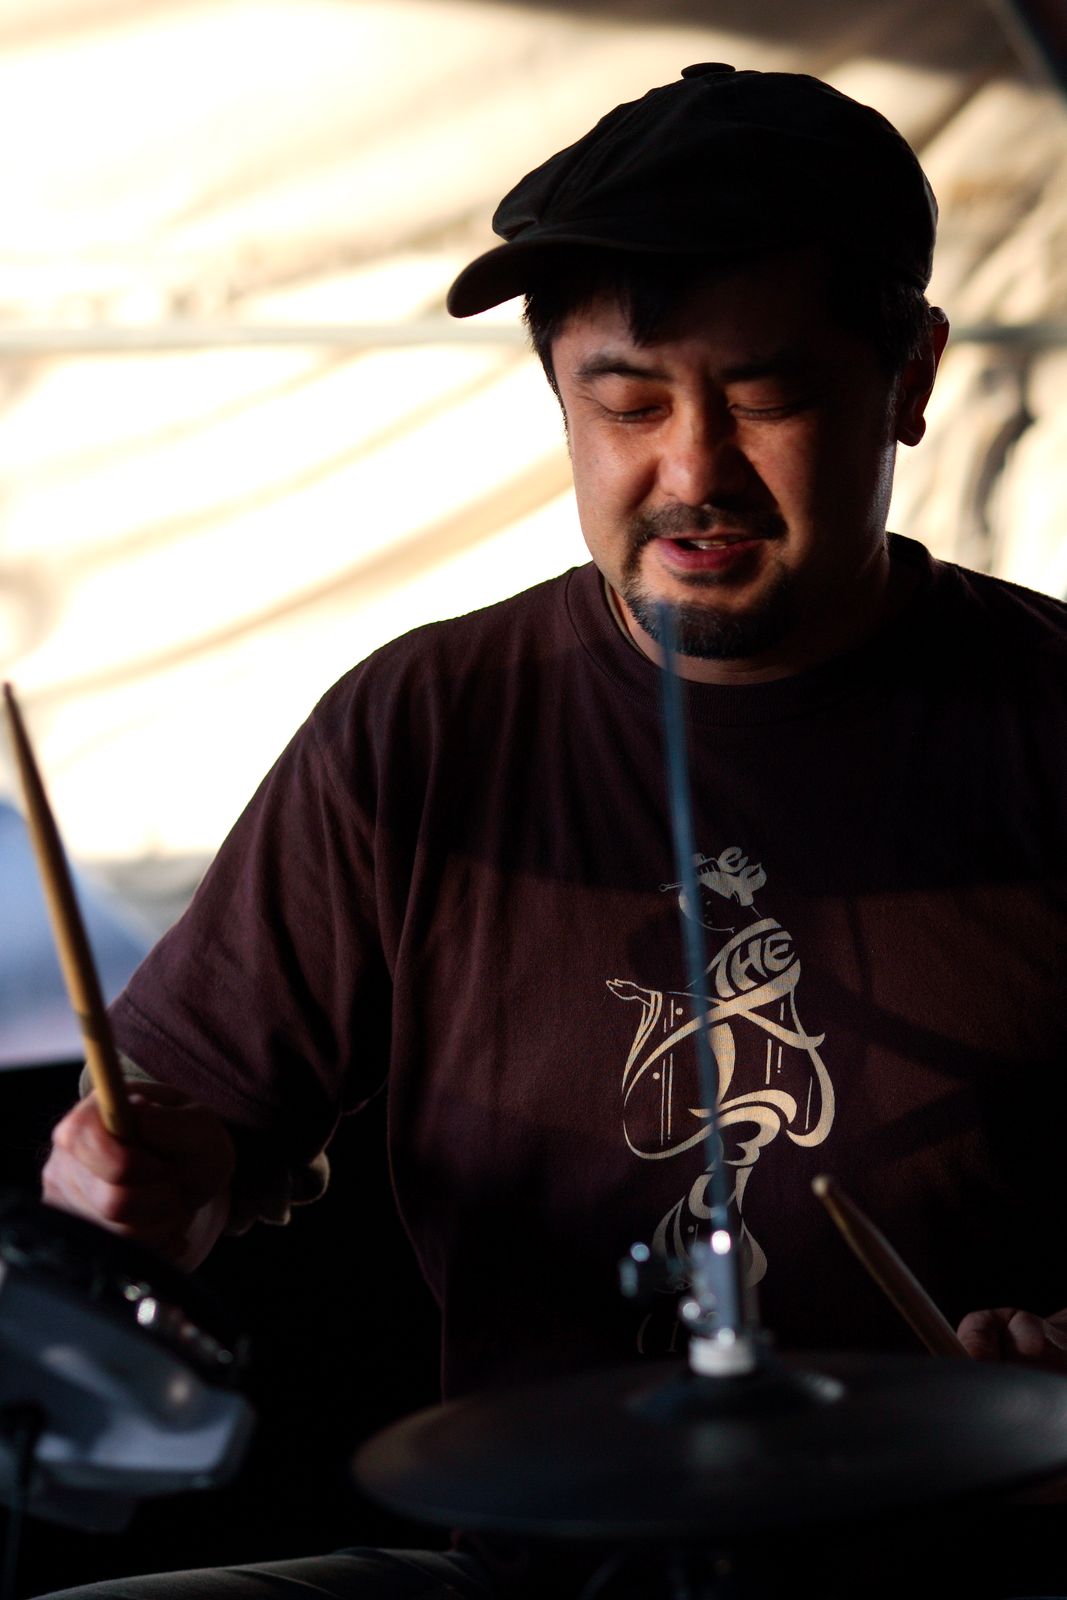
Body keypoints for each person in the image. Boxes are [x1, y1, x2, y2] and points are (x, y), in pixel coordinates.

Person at [38, 63, 1067, 1599]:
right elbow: (183, 1133)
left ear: (911, 378)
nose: (692, 471)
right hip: (537, 1577)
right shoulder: (418, 730)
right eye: (628, 403)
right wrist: (137, 1183)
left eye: (768, 396)